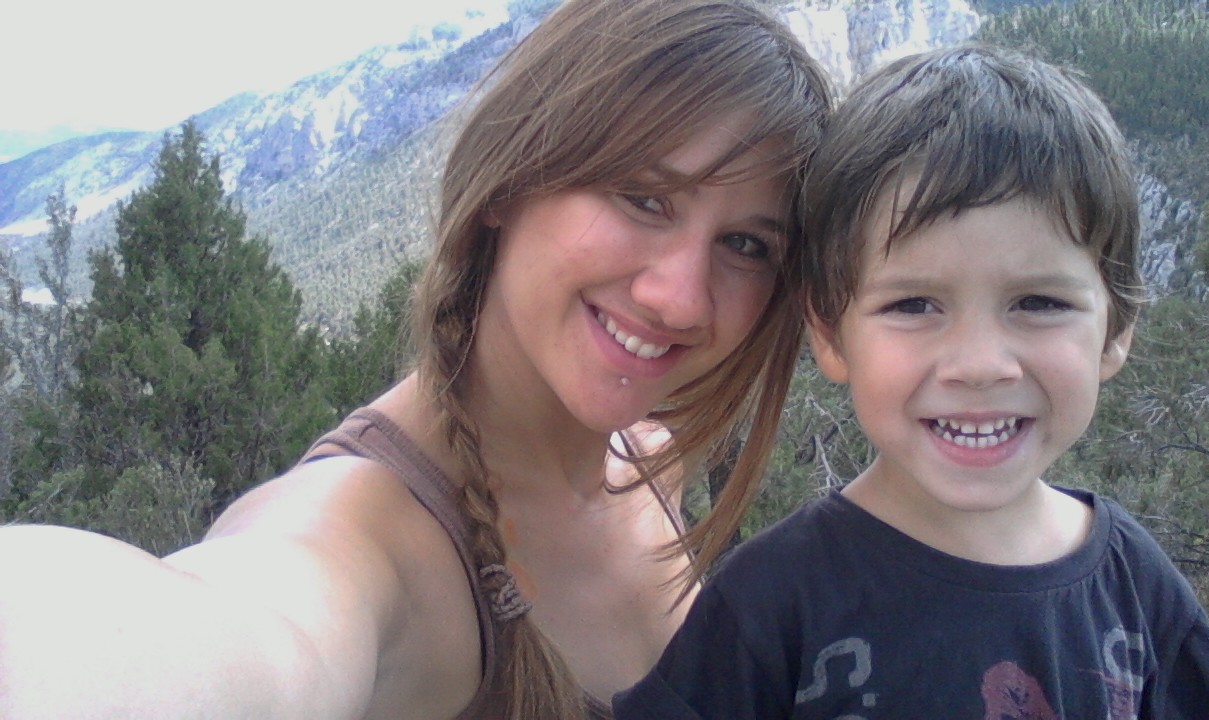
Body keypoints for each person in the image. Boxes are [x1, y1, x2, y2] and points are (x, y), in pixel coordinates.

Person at [0, 1, 832, 718]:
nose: (681, 299)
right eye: (644, 198)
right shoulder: (366, 542)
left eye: (746, 245)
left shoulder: (652, 468)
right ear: (510, 180)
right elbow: (217, 634)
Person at [613, 45, 1209, 719]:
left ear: (1116, 330)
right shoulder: (769, 604)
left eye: (1038, 303)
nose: (979, 364)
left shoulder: (1140, 591)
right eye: (914, 305)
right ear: (829, 334)